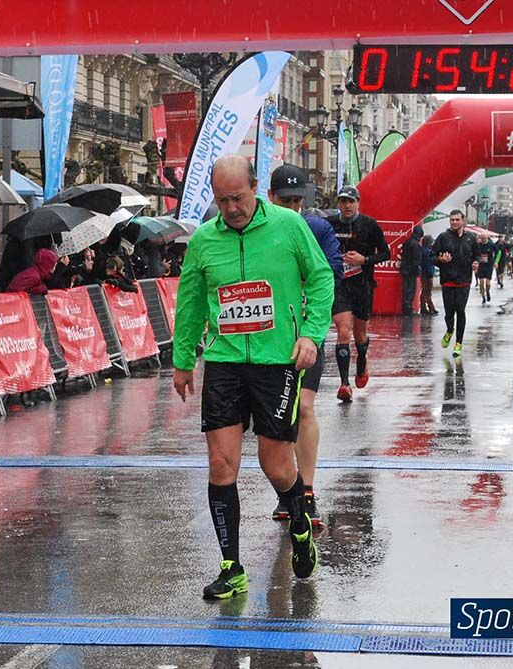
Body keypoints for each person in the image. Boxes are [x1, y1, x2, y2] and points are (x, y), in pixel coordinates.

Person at [173, 155, 334, 600]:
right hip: (225, 360)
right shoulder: (204, 240)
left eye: (238, 198)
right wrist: (183, 359)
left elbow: (320, 279)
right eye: (222, 200)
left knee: (275, 464)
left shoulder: (288, 226)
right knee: (221, 464)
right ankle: (231, 566)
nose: (231, 208)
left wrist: (311, 334)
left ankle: (299, 519)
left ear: (256, 187)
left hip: (276, 360)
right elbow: (190, 303)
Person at [266, 164, 341, 528]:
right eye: (285, 200)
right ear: (270, 197)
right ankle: (288, 491)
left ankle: (307, 491)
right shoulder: (257, 231)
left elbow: (331, 273)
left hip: (307, 334)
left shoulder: (318, 228)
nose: (292, 208)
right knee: (279, 420)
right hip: (269, 340)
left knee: (305, 408)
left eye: (297, 201)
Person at [326, 185, 389, 402]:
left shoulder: (369, 225)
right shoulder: (330, 224)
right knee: (344, 331)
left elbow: (385, 253)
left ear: (358, 203)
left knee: (360, 335)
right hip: (340, 285)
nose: (347, 206)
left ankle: (362, 361)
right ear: (338, 204)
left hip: (363, 285)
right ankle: (344, 384)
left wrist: (364, 260)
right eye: (343, 201)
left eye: (351, 201)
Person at [432, 210, 478, 357]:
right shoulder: (443, 237)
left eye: (457, 220)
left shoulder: (471, 238)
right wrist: (440, 260)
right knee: (449, 313)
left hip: (464, 280)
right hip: (448, 279)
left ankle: (459, 343)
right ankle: (450, 330)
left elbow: (476, 255)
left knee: (461, 310)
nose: (454, 222)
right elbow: (431, 255)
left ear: (463, 220)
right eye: (452, 220)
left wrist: (476, 263)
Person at [399, 226, 423, 316]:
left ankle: (406, 308)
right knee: (411, 290)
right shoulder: (416, 245)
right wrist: (418, 270)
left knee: (406, 289)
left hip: (405, 269)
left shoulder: (407, 242)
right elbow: (416, 260)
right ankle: (408, 309)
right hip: (411, 271)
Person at [474, 233, 496, 305]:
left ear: (487, 238)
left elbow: (498, 252)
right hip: (481, 265)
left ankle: (488, 292)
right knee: (481, 282)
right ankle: (483, 297)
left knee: (487, 283)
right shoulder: (478, 245)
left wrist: (496, 261)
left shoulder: (491, 244)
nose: (483, 240)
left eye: (484, 239)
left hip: (489, 265)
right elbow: (474, 254)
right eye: (482, 239)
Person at [419, 234, 438, 316]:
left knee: (425, 290)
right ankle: (430, 307)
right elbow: (429, 264)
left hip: (423, 273)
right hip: (428, 273)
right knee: (427, 291)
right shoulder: (428, 252)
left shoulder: (422, 250)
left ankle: (425, 307)